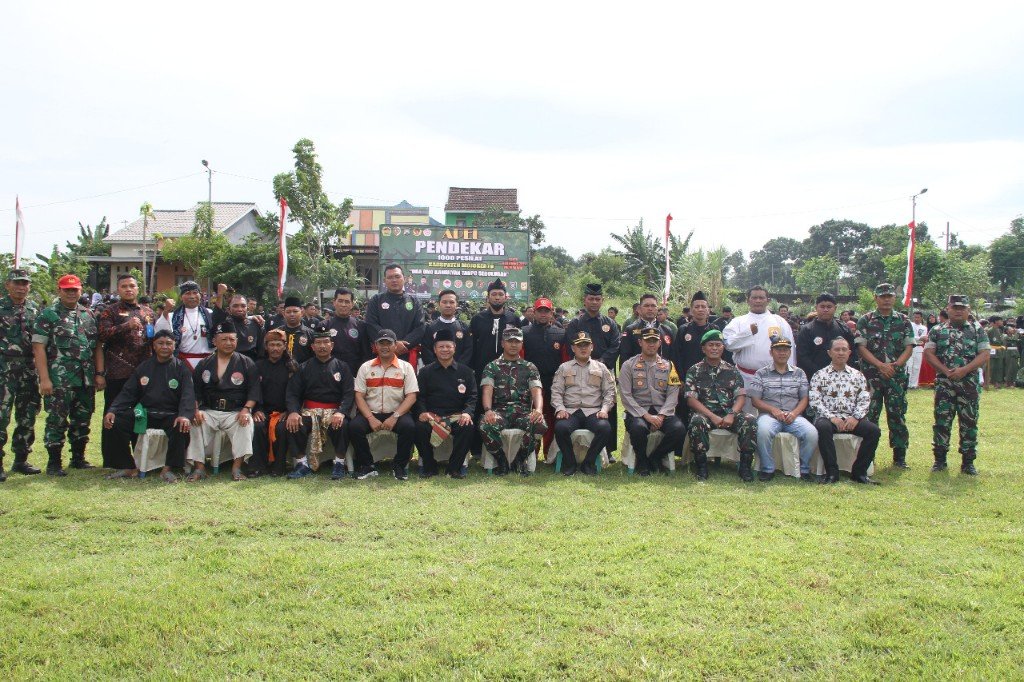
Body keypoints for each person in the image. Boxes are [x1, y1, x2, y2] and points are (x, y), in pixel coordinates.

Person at [32, 274, 103, 475]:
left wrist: (99, 373)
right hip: (59, 380)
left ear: (81, 291)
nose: (71, 293)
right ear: (59, 290)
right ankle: (54, 463)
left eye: (75, 290)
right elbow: (39, 348)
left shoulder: (88, 315)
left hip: (85, 379)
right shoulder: (48, 315)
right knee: (57, 420)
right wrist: (44, 379)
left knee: (83, 419)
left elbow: (97, 346)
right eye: (67, 290)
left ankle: (78, 458)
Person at [101, 330, 194, 482]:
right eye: (160, 343)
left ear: (174, 346)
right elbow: (128, 392)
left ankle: (169, 468)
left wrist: (184, 415)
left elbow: (188, 395)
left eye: (168, 343)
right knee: (115, 422)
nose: (165, 347)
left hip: (170, 415)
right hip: (145, 415)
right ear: (154, 346)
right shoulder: (144, 368)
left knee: (181, 426)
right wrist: (113, 410)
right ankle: (127, 466)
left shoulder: (182, 369)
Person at [923, 295, 990, 474]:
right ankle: (939, 460)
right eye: (955, 307)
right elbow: (929, 353)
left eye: (962, 308)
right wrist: (945, 371)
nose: (959, 310)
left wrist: (964, 370)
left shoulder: (978, 330)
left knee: (969, 422)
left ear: (968, 310)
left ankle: (968, 462)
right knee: (941, 422)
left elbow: (984, 354)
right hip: (945, 384)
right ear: (948, 309)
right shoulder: (937, 330)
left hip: (968, 384)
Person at [187, 321, 261, 482]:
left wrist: (246, 409)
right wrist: (195, 409)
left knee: (246, 422)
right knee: (195, 422)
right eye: (224, 339)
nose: (229, 343)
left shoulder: (246, 362)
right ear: (214, 341)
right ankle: (199, 467)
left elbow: (254, 389)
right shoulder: (204, 363)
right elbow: (195, 390)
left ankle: (237, 467)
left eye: (232, 339)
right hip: (210, 410)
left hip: (235, 411)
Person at [97, 274, 155, 471]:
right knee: (114, 415)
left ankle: (141, 458)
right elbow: (102, 335)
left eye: (132, 286)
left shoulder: (147, 311)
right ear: (118, 289)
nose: (128, 289)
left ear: (138, 289)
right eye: (124, 286)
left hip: (143, 373)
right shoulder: (110, 311)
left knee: (141, 415)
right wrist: (125, 326)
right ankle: (116, 461)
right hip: (118, 372)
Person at [284, 324, 355, 480]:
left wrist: (341, 412)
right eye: (318, 343)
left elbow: (349, 394)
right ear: (312, 346)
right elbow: (293, 393)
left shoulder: (342, 367)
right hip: (309, 411)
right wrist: (294, 412)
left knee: (343, 425)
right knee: (293, 424)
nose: (322, 346)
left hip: (334, 411)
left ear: (332, 345)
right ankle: (302, 464)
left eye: (326, 342)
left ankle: (339, 463)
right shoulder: (304, 368)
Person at [855, 283, 914, 468]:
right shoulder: (866, 320)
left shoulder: (903, 321)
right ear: (876, 298)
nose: (886, 299)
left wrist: (895, 365)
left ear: (894, 298)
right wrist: (880, 365)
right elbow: (861, 347)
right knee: (869, 416)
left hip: (895, 376)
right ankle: (868, 456)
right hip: (872, 376)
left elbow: (909, 347)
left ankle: (899, 457)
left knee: (897, 415)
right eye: (883, 296)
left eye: (889, 296)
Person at [685, 329, 757, 481]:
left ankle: (745, 466)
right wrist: (713, 417)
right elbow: (691, 400)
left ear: (723, 348)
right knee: (696, 421)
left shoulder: (732, 370)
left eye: (718, 345)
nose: (715, 348)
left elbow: (741, 397)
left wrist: (731, 414)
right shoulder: (694, 370)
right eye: (711, 345)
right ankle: (702, 466)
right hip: (706, 414)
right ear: (703, 349)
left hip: (729, 414)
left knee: (750, 420)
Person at [808, 337, 881, 485]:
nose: (840, 353)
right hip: (828, 418)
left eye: (844, 350)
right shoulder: (819, 375)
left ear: (849, 353)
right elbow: (815, 401)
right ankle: (832, 473)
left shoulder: (858, 375)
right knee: (822, 427)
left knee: (874, 431)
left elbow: (864, 399)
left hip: (851, 418)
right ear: (829, 353)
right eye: (837, 349)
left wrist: (855, 417)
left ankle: (859, 473)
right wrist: (832, 418)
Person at [350, 329, 418, 481]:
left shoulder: (406, 367)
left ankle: (399, 466)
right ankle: (367, 466)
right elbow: (359, 396)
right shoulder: (365, 367)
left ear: (395, 346)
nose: (385, 347)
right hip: (371, 412)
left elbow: (411, 396)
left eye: (389, 343)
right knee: (354, 427)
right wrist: (370, 418)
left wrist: (395, 417)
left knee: (409, 427)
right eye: (381, 343)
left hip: (397, 412)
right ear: (375, 346)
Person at [749, 336, 817, 482]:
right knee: (762, 431)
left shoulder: (799, 373)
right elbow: (755, 400)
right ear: (771, 352)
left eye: (785, 350)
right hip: (769, 415)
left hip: (794, 416)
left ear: (790, 352)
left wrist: (794, 413)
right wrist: (773, 410)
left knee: (812, 433)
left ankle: (803, 468)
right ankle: (767, 468)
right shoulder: (761, 373)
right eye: (778, 350)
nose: (782, 353)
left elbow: (804, 399)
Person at [479, 326, 545, 476]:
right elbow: (487, 391)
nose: (513, 345)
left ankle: (519, 459)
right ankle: (501, 461)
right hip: (499, 412)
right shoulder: (492, 366)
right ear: (502, 343)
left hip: (522, 412)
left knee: (540, 425)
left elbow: (537, 392)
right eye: (510, 341)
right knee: (485, 426)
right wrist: (488, 410)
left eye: (517, 341)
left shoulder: (529, 367)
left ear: (522, 344)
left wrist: (539, 410)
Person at [619, 326, 684, 476]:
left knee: (679, 429)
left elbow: (673, 394)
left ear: (659, 343)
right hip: (638, 412)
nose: (651, 344)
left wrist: (661, 416)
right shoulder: (628, 365)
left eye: (654, 341)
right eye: (648, 341)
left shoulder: (669, 366)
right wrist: (646, 416)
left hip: (662, 411)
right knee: (638, 429)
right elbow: (625, 395)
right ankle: (642, 461)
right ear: (640, 342)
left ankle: (655, 457)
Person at [564, 283, 620, 456]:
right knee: (580, 405)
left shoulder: (610, 323)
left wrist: (600, 364)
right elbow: (569, 345)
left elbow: (616, 345)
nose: (594, 302)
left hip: (604, 371)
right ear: (584, 300)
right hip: (579, 370)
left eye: (597, 299)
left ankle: (608, 450)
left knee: (607, 407)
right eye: (591, 299)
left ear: (602, 301)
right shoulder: (576, 323)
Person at [468, 278, 522, 457]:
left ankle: (505, 447)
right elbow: (471, 346)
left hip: (508, 371)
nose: (497, 298)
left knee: (504, 404)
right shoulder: (477, 319)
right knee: (479, 406)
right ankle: (476, 448)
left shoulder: (513, 318)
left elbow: (519, 344)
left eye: (500, 294)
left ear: (506, 297)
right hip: (481, 369)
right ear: (488, 298)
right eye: (494, 295)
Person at [415, 327, 477, 479]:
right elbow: (419, 397)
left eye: (448, 346)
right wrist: (422, 412)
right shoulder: (425, 372)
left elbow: (472, 397)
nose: (445, 350)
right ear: (434, 350)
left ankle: (454, 468)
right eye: (441, 346)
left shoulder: (466, 372)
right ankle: (429, 467)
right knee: (419, 427)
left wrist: (467, 413)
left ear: (454, 348)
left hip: (456, 415)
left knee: (468, 426)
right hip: (432, 416)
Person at [551, 331, 616, 476]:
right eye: (579, 345)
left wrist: (605, 409)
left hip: (593, 411)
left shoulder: (601, 368)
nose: (583, 348)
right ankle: (570, 463)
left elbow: (609, 392)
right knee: (561, 428)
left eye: (586, 345)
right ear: (573, 348)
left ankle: (589, 463)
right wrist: (560, 409)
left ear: (592, 347)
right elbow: (556, 392)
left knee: (604, 428)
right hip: (570, 411)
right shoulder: (564, 367)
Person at [0, 269, 42, 480]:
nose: (21, 287)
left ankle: (21, 459)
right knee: (1, 416)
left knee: (27, 415)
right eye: (17, 283)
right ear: (7, 285)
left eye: (25, 283)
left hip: (28, 370)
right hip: (3, 370)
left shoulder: (35, 310)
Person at [722, 286, 795, 389]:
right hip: (744, 377)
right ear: (748, 300)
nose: (758, 301)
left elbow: (790, 352)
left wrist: (789, 377)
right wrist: (748, 333)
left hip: (773, 378)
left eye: (761, 298)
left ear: (768, 300)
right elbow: (728, 345)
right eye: (754, 298)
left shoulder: (780, 322)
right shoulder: (737, 322)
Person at [522, 297, 565, 456]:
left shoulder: (560, 333)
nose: (543, 314)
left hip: (554, 383)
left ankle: (549, 452)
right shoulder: (525, 332)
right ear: (534, 312)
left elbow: (565, 360)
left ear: (551, 312)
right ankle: (531, 451)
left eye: (546, 311)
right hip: (530, 384)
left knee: (552, 419)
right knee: (532, 417)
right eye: (540, 311)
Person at [250, 329, 296, 477]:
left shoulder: (292, 367)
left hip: (283, 411)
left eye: (278, 344)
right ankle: (258, 467)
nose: (275, 348)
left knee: (283, 428)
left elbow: (295, 392)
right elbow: (253, 389)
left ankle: (279, 467)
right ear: (266, 347)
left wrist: (289, 411)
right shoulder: (257, 366)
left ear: (284, 346)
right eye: (272, 345)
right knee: (257, 427)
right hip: (263, 410)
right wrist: (256, 409)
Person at [364, 263, 425, 365]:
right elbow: (371, 324)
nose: (394, 280)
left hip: (407, 353)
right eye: (390, 277)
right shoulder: (376, 300)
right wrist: (391, 344)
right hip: (383, 353)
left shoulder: (414, 301)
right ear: (384, 281)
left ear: (404, 278)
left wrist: (401, 345)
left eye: (397, 276)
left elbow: (420, 327)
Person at [796, 293, 856, 395]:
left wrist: (841, 372)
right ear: (816, 308)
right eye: (822, 307)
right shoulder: (806, 330)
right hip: (814, 378)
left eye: (829, 307)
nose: (825, 310)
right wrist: (822, 374)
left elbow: (853, 353)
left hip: (841, 379)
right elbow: (802, 356)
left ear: (835, 308)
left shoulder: (844, 329)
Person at [163, 281, 214, 370]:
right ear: (181, 297)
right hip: (183, 362)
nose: (192, 296)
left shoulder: (210, 314)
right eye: (187, 293)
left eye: (195, 293)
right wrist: (166, 311)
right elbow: (161, 333)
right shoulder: (172, 316)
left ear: (200, 295)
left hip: (208, 362)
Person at [325, 287, 371, 378]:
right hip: (330, 373)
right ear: (334, 302)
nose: (343, 304)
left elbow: (366, 353)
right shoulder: (324, 326)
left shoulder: (360, 325)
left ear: (352, 304)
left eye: (347, 302)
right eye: (340, 301)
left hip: (355, 374)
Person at [421, 289, 472, 367]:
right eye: (444, 302)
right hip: (435, 373)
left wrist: (458, 368)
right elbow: (426, 351)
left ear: (456, 305)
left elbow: (468, 351)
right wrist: (438, 368)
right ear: (439, 304)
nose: (448, 305)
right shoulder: (430, 328)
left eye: (451, 302)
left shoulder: (464, 327)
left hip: (459, 373)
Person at [620, 293, 674, 367]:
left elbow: (673, 357)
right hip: (637, 375)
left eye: (653, 306)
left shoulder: (666, 331)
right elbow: (624, 357)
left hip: (662, 375)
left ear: (657, 308)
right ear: (639, 309)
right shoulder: (630, 330)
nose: (650, 309)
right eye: (646, 306)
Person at [212, 286, 264, 361]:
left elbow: (261, 352)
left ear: (247, 309)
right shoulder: (224, 324)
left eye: (243, 306)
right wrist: (220, 294)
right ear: (228, 309)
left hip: (251, 367)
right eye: (235, 306)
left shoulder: (256, 324)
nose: (239, 309)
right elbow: (217, 315)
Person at [277, 296, 314, 364]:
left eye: (295, 311)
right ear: (284, 314)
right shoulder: (277, 333)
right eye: (288, 312)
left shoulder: (310, 333)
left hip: (304, 372)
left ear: (302, 313)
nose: (292, 314)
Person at [986, 315, 1008, 389]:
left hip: (999, 351)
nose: (1002, 322)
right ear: (996, 322)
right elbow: (991, 342)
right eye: (1000, 320)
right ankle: (989, 382)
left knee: (998, 367)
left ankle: (997, 382)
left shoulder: (999, 330)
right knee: (991, 366)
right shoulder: (991, 330)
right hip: (993, 350)